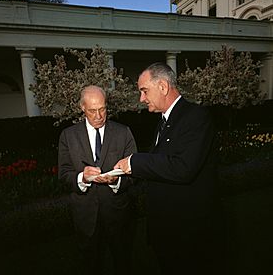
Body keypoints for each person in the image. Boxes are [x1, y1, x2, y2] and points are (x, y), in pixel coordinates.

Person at [114, 62, 219, 275]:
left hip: (187, 234)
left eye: (144, 91)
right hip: (167, 232)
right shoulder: (164, 121)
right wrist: (118, 177)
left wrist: (135, 162)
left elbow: (183, 168)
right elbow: (161, 168)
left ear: (162, 86)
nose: (141, 99)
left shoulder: (196, 117)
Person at [58, 85, 138, 275]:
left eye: (102, 109)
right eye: (92, 110)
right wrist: (82, 178)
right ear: (82, 108)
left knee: (122, 262)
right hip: (85, 215)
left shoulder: (123, 132)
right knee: (90, 265)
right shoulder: (68, 136)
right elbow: (63, 174)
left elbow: (136, 172)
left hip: (118, 213)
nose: (99, 115)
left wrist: (116, 181)